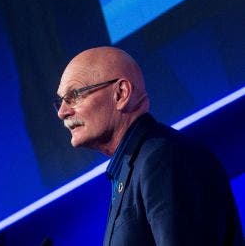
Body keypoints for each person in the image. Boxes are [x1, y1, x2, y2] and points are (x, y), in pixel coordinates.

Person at [55, 46, 244, 246]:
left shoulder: (163, 157)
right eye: (61, 101)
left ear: (121, 94)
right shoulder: (134, 167)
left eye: (74, 95)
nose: (62, 112)